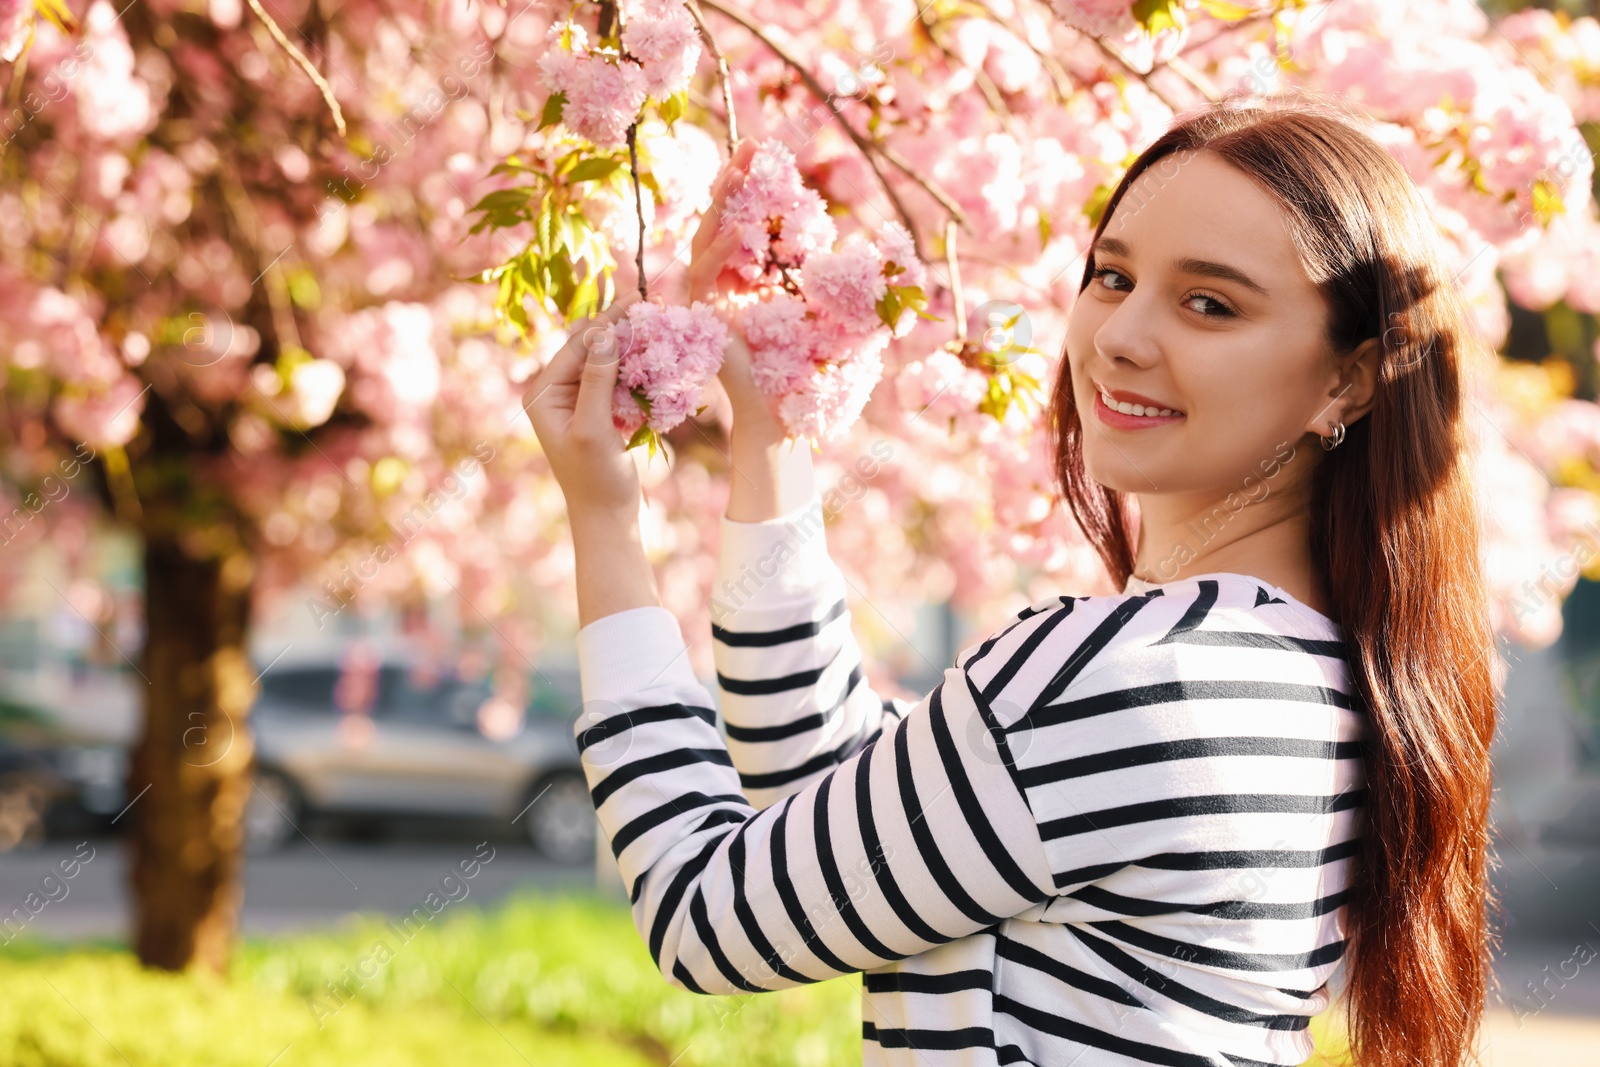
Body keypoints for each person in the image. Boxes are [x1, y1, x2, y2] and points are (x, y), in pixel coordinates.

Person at [524, 99, 1498, 1067]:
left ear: (1348, 380)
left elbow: (708, 913)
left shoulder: (1134, 676)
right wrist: (768, 436)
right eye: (1111, 276)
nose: (1120, 334)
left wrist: (605, 521)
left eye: (1210, 302)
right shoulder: (1305, 667)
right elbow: (837, 808)